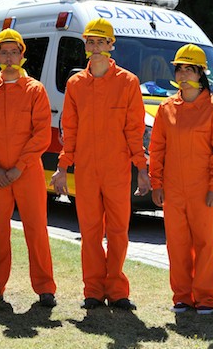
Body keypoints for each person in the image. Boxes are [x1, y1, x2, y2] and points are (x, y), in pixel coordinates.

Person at [50, 18, 150, 310]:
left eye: (100, 42)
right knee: (90, 232)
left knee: (118, 231)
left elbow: (135, 131)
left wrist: (142, 170)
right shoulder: (76, 84)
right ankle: (93, 290)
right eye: (90, 42)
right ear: (85, 47)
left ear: (111, 45)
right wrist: (62, 166)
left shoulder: (128, 82)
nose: (95, 48)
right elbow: (70, 129)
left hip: (118, 170)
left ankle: (117, 290)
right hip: (87, 170)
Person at [149, 44, 213, 315]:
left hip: (203, 190)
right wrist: (157, 183)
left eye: (190, 69)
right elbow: (157, 149)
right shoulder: (165, 108)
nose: (183, 74)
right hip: (173, 190)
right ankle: (183, 297)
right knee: (177, 244)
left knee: (206, 244)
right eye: (180, 68)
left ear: (201, 73)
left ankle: (206, 298)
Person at [0, 28, 57, 308]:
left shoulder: (35, 90)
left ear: (23, 54)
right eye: (4, 51)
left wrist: (20, 166)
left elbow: (42, 133)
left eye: (14, 51)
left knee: (36, 229)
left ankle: (45, 288)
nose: (9, 57)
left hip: (27, 172)